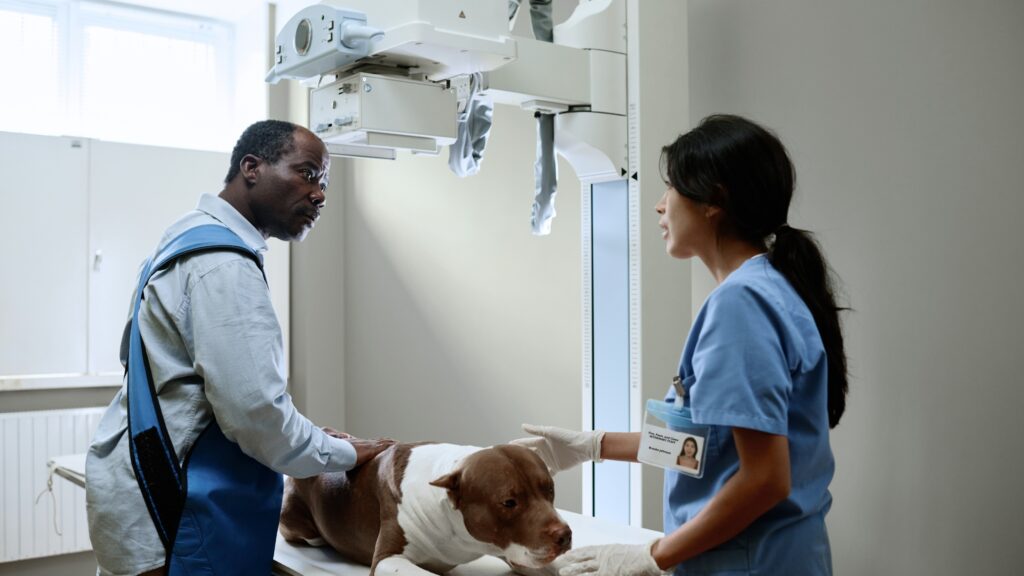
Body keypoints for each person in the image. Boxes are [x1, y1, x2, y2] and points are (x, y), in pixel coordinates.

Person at [517, 115, 848, 575]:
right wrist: (593, 446)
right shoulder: (769, 287)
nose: (659, 206)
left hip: (751, 562)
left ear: (714, 199)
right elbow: (709, 451)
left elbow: (766, 480)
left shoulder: (741, 304)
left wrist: (653, 557)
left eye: (670, 188)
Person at [86, 120, 393, 576]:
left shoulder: (183, 237)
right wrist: (342, 453)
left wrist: (312, 437)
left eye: (324, 182)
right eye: (308, 173)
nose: (320, 194)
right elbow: (256, 415)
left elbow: (189, 385)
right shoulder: (224, 266)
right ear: (252, 167)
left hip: (137, 486)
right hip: (175, 507)